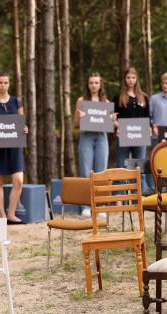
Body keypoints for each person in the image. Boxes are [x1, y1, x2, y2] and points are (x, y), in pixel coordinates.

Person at [0, 72, 28, 224]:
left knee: (18, 181)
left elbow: (22, 123)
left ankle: (11, 213)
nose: (3, 85)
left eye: (6, 82)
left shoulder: (17, 101)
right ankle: (2, 215)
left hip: (15, 147)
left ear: (9, 84)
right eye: (0, 82)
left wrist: (25, 129)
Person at [74, 73, 110, 218]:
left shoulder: (106, 102)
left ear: (100, 84)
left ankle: (100, 206)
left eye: (96, 83)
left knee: (101, 172)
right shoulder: (81, 101)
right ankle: (86, 206)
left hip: (101, 137)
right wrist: (80, 118)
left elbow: (112, 126)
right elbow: (75, 124)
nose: (93, 85)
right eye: (91, 83)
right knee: (85, 171)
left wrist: (112, 120)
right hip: (86, 137)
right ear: (87, 85)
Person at [113, 67, 150, 192]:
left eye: (133, 78)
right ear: (124, 79)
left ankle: (139, 197)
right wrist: (117, 126)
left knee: (139, 166)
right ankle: (119, 198)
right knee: (121, 166)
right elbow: (113, 117)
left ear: (137, 79)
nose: (131, 80)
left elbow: (147, 117)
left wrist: (148, 128)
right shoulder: (118, 97)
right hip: (123, 136)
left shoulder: (144, 97)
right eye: (128, 77)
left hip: (140, 137)